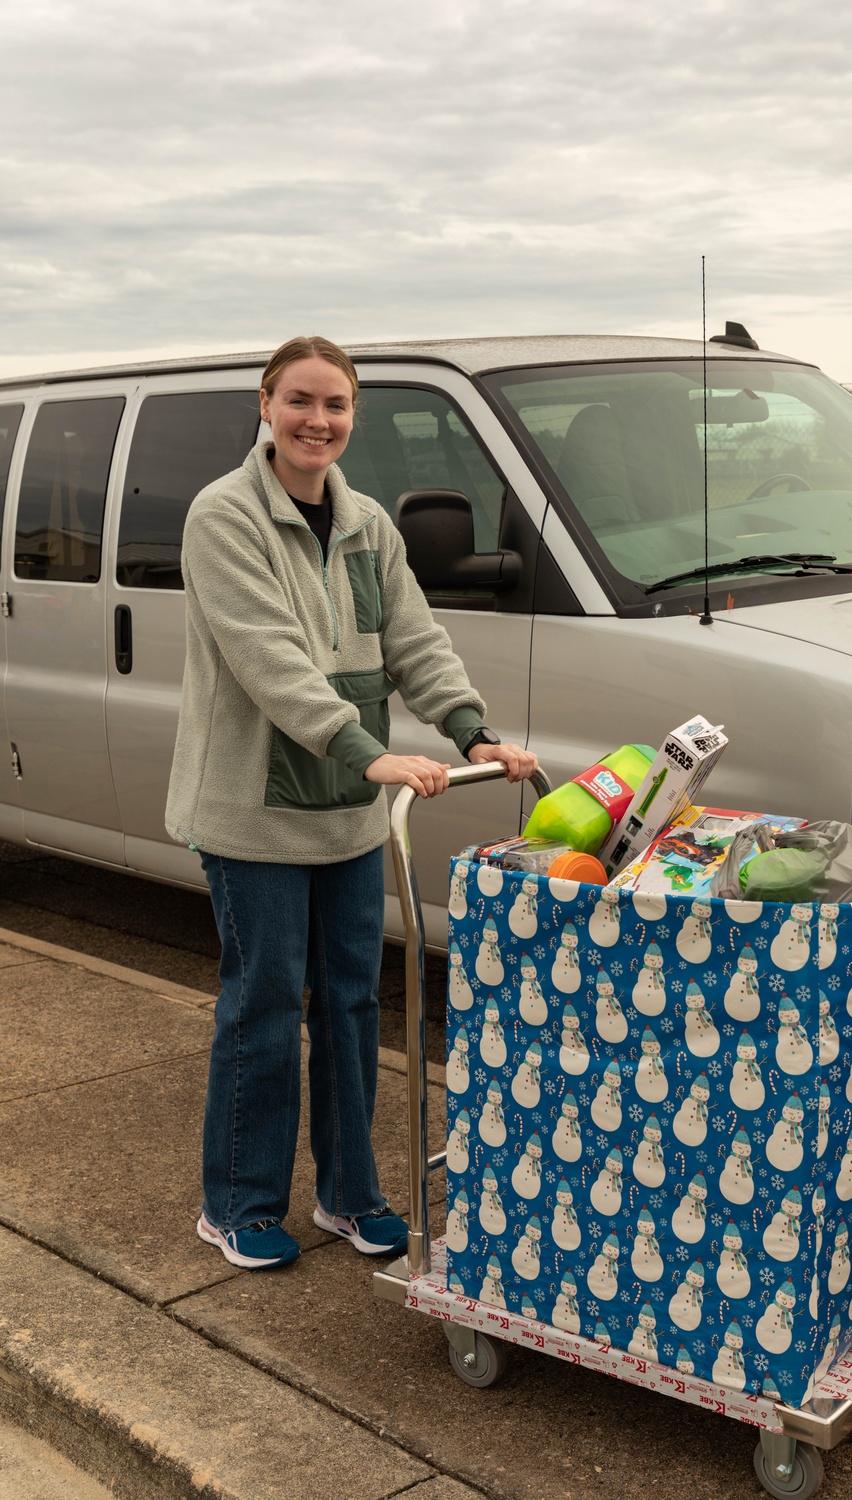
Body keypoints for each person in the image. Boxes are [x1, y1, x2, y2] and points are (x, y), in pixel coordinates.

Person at [166, 334, 537, 1270]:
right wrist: (371, 753)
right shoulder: (225, 517)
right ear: (264, 403)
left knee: (350, 1003)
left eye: (335, 406)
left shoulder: (368, 521)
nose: (317, 421)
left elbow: (414, 637)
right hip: (254, 812)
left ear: (352, 417)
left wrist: (470, 731)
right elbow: (270, 663)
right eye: (300, 401)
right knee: (261, 1007)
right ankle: (239, 1203)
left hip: (346, 810)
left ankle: (349, 1194)